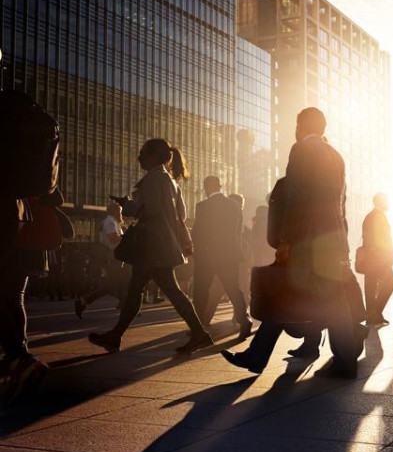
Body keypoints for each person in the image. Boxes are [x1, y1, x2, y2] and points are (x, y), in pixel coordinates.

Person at [221, 107, 362, 378]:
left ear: (301, 125)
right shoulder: (336, 155)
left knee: (284, 293)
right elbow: (341, 204)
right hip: (333, 238)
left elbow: (296, 199)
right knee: (334, 301)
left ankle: (258, 355)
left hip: (307, 239)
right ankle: (344, 362)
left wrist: (286, 239)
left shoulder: (301, 150)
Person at [88, 139, 213, 354]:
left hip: (152, 245)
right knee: (138, 289)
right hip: (161, 244)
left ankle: (199, 334)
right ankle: (115, 336)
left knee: (164, 291)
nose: (139, 158)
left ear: (154, 156)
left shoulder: (153, 178)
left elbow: (151, 210)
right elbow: (180, 214)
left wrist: (127, 205)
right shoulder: (171, 181)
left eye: (143, 154)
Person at [0, 90, 59, 405]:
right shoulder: (16, 106)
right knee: (9, 290)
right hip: (15, 211)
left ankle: (19, 359)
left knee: (7, 291)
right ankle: (16, 357)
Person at [190, 176, 252, 338]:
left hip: (208, 255)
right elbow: (238, 231)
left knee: (201, 290)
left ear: (206, 188)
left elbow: (198, 232)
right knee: (233, 289)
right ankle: (244, 320)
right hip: (230, 254)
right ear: (220, 186)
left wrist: (198, 251)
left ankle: (198, 325)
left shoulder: (203, 206)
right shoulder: (234, 205)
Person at [74, 202, 126, 318]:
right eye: (120, 211)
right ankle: (84, 300)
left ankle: (125, 305)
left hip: (115, 257)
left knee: (117, 283)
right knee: (114, 284)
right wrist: (126, 237)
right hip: (113, 257)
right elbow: (113, 238)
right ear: (115, 211)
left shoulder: (113, 222)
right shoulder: (110, 222)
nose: (121, 214)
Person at [361, 192, 393, 326]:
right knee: (390, 283)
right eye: (386, 200)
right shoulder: (377, 216)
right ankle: (375, 313)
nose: (388, 203)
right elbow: (383, 238)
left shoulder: (372, 216)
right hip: (378, 258)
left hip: (374, 258)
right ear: (380, 202)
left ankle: (373, 315)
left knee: (371, 287)